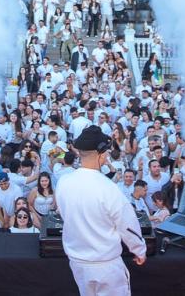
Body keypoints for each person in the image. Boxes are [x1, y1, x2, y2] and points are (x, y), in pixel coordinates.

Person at [55, 126, 146, 296]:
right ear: (102, 154)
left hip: (77, 262)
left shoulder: (63, 182)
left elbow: (63, 213)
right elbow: (128, 226)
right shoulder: (109, 188)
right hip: (106, 265)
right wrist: (139, 250)